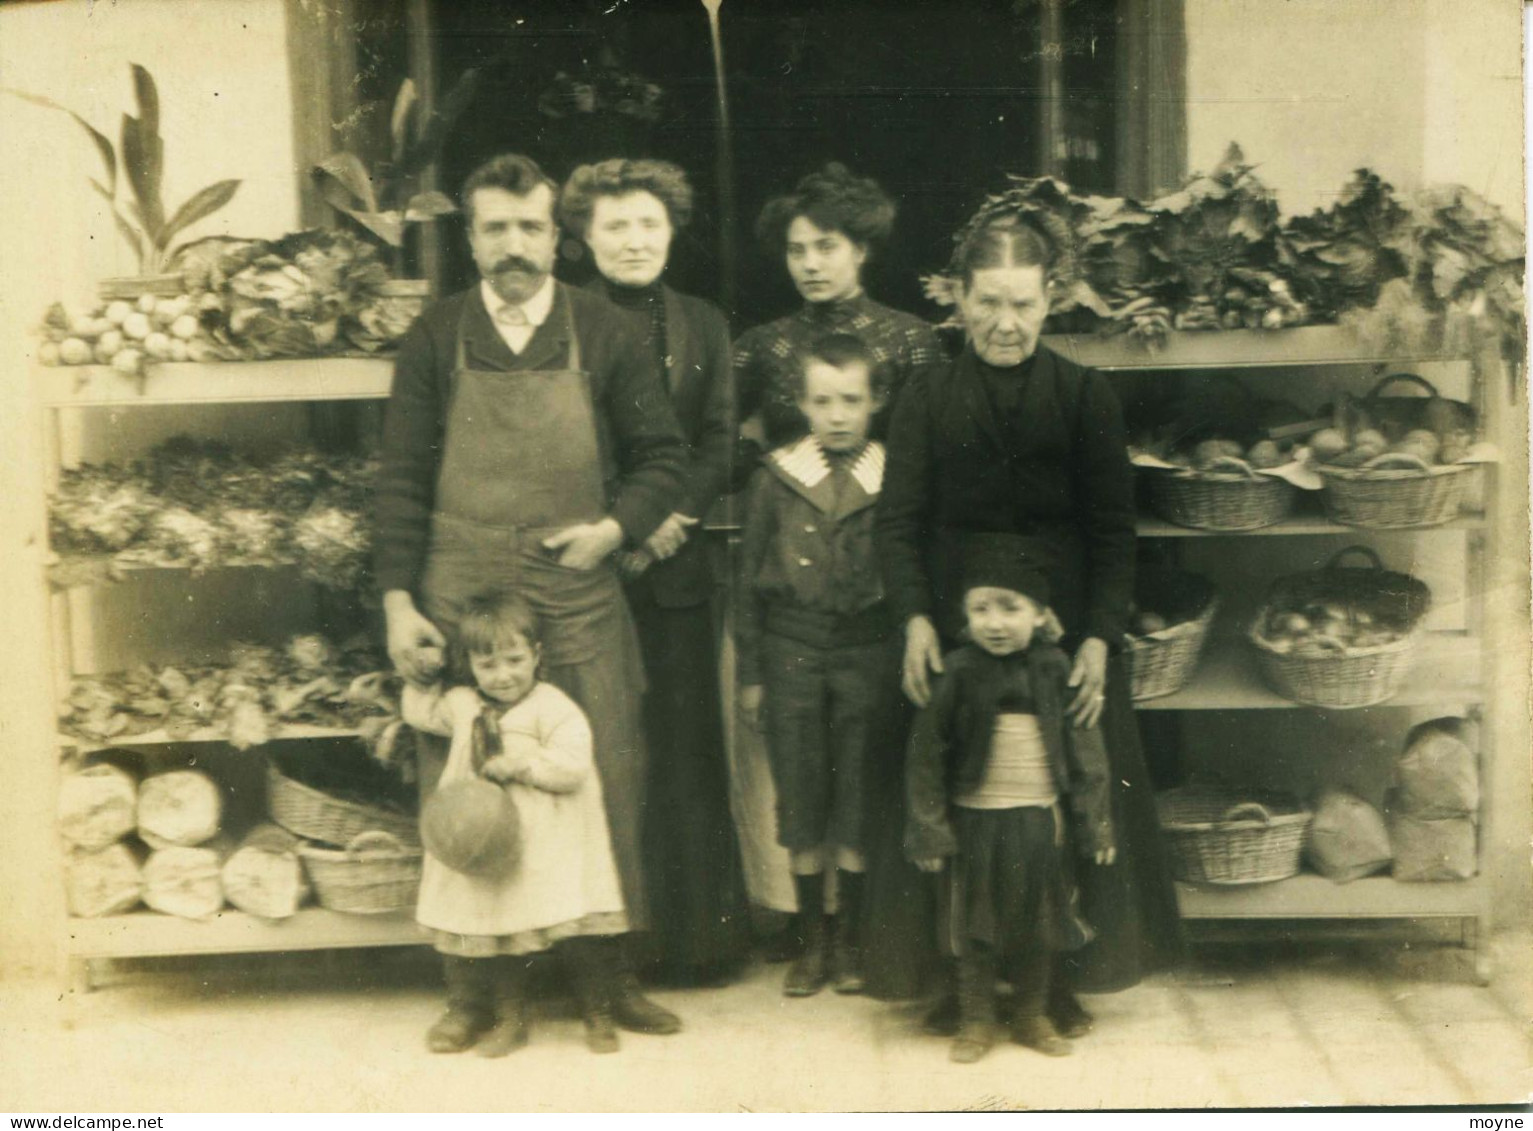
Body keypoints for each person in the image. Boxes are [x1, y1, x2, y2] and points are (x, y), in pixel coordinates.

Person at [375, 152, 688, 1037]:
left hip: (575, 583)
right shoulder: (436, 336)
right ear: (470, 238)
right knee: (467, 780)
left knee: (607, 771)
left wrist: (615, 528)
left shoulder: (605, 330)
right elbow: (400, 476)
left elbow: (664, 455)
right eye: (494, 228)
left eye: (530, 227)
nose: (513, 245)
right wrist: (400, 602)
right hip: (459, 583)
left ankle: (610, 980)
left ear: (558, 237)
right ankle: (473, 993)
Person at [876, 214, 1185, 1030]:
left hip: (1061, 638)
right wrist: (912, 619)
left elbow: (1113, 531)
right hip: (954, 632)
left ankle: (1057, 981)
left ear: (1051, 299)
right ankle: (955, 982)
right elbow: (897, 522)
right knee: (953, 795)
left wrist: (1095, 637)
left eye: (1021, 303)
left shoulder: (1085, 397)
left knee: (1068, 800)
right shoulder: (926, 396)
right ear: (957, 300)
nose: (1004, 324)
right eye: (986, 303)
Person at [559, 157, 751, 985]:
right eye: (614, 226)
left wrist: (673, 520)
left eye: (648, 224)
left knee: (680, 748)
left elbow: (719, 437)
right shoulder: (563, 318)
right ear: (583, 237)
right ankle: (605, 951)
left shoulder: (702, 321)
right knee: (599, 749)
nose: (633, 241)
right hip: (587, 563)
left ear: (671, 231)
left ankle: (690, 944)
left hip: (676, 563)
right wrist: (617, 524)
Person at [904, 537, 1116, 1064]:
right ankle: (976, 1019)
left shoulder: (1055, 669)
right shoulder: (956, 672)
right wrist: (929, 828)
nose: (995, 623)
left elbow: (1088, 756)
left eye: (1010, 607)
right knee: (974, 927)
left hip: (1040, 823)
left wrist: (1096, 826)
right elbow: (925, 755)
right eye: (980, 609)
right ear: (964, 615)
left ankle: (1030, 1016)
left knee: (1039, 923)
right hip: (975, 824)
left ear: (1041, 614)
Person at [735, 333, 900, 997]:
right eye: (822, 400)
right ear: (801, 404)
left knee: (857, 793)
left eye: (851, 400)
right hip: (792, 651)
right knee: (802, 793)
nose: (836, 415)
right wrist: (751, 673)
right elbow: (746, 583)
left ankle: (853, 938)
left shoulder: (891, 475)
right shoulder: (774, 480)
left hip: (867, 651)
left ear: (875, 402)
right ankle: (813, 941)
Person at [403, 592, 631, 1056]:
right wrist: (420, 680)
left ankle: (598, 1012)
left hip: (548, 844)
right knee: (501, 931)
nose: (504, 675)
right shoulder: (463, 704)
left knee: (577, 929)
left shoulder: (552, 705)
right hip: (491, 843)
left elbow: (572, 764)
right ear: (470, 665)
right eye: (488, 665)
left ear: (536, 656)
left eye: (514, 660)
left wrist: (523, 765)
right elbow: (420, 713)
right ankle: (510, 1017)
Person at [734, 163, 946, 451]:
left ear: (861, 250)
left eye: (826, 247)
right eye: (797, 251)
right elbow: (713, 435)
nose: (810, 265)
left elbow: (935, 444)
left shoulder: (911, 338)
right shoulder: (760, 344)